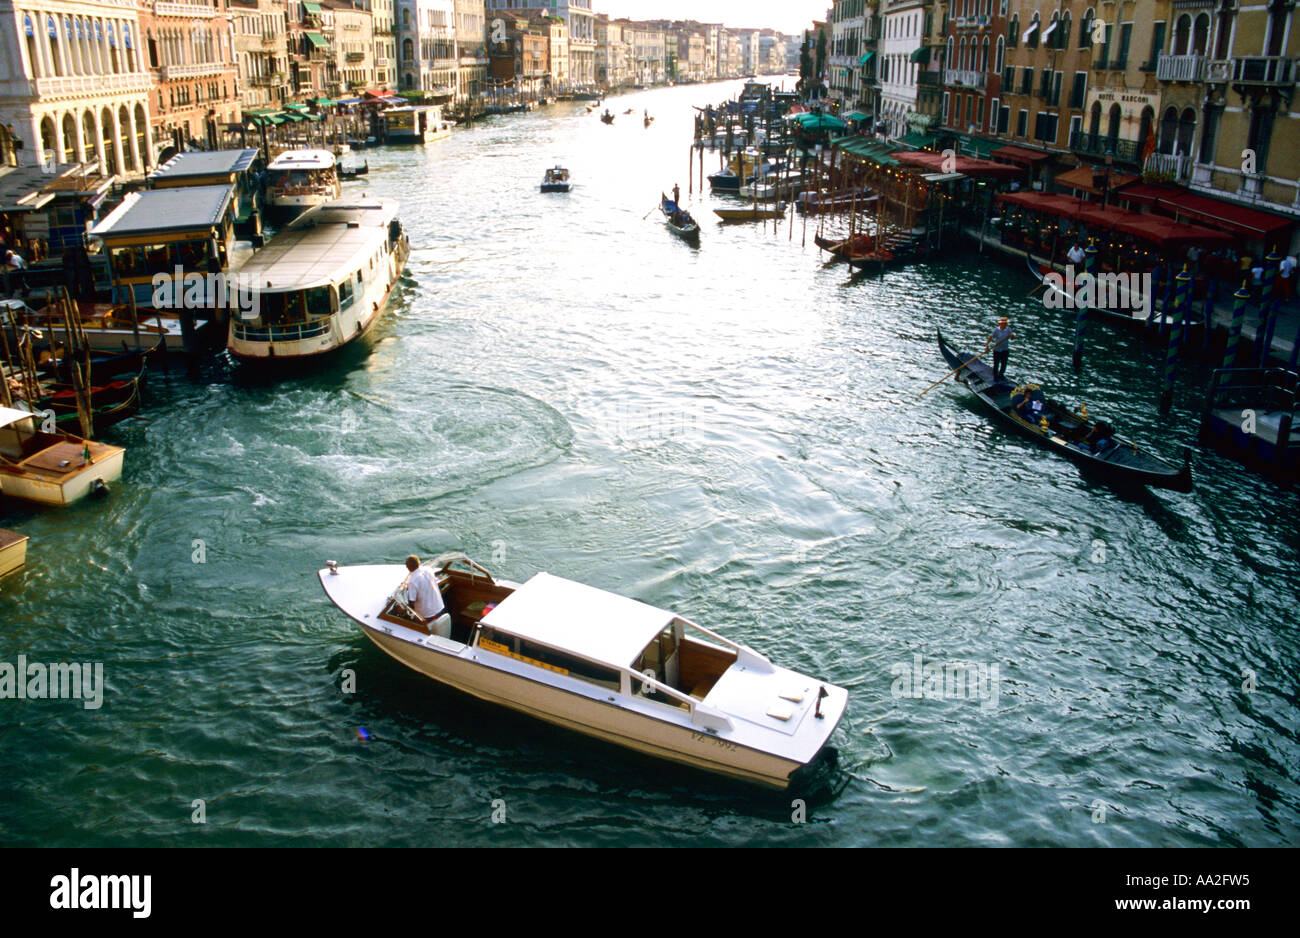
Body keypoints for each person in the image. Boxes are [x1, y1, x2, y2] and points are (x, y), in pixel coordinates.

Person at [404, 555, 445, 622]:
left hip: (427, 614)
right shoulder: (428, 569)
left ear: (409, 566)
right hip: (439, 607)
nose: (406, 566)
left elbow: (411, 601)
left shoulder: (412, 581)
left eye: (406, 565)